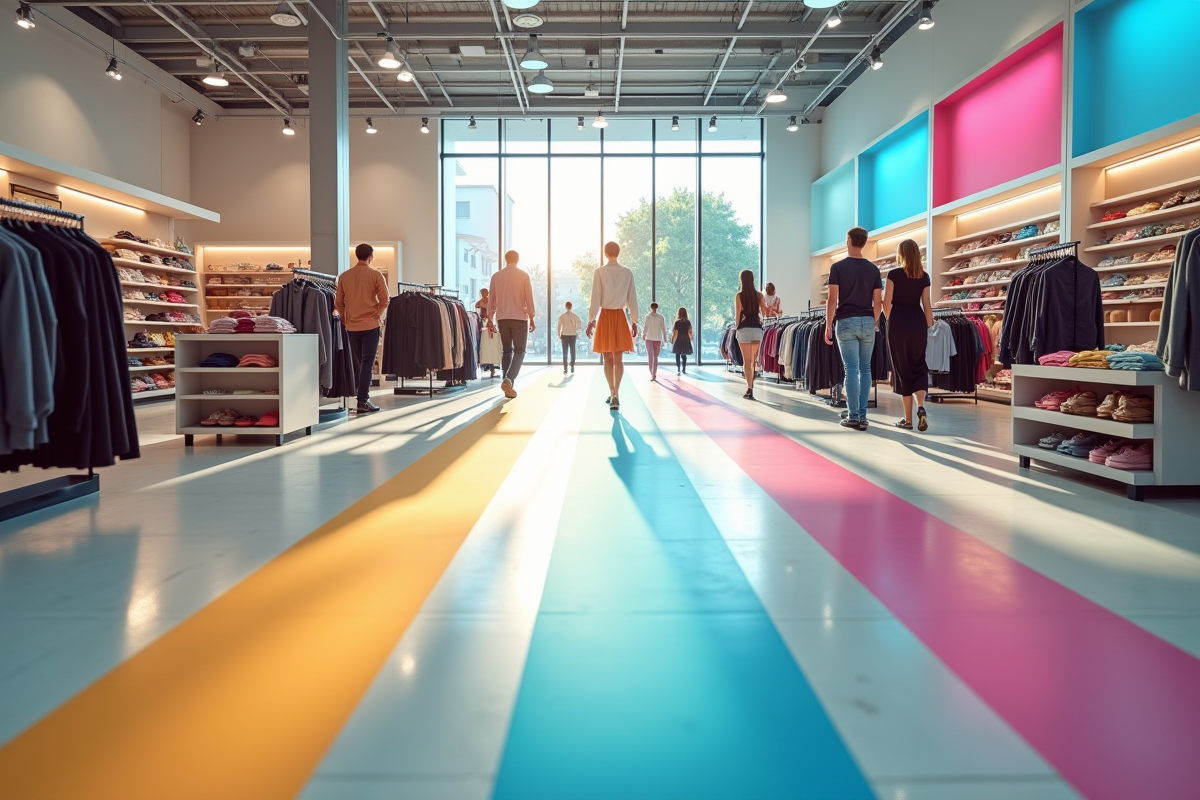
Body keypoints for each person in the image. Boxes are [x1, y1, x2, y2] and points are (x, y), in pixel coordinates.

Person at [825, 227, 883, 431]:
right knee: (865, 368)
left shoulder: (837, 267)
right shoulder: (874, 270)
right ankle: (863, 416)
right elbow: (878, 302)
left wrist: (828, 324)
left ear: (848, 240)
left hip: (846, 321)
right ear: (865, 243)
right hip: (867, 320)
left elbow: (832, 300)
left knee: (851, 369)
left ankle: (853, 416)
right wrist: (873, 320)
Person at [883, 239, 933, 430]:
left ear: (901, 254)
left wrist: (890, 320)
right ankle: (921, 407)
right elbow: (927, 305)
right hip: (917, 321)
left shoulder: (893, 274)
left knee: (903, 369)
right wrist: (928, 326)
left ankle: (908, 419)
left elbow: (887, 303)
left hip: (898, 322)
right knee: (919, 365)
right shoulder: (924, 276)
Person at [335, 243, 390, 414]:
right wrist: (376, 315)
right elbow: (385, 300)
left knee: (356, 363)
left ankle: (356, 397)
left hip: (351, 326)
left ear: (357, 256)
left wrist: (345, 318)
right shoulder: (375, 275)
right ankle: (362, 400)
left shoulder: (344, 276)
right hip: (370, 325)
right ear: (370, 256)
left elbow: (338, 303)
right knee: (367, 362)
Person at [586, 241, 639, 411]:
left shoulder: (599, 272)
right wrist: (634, 321)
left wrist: (591, 319)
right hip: (620, 316)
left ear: (605, 253)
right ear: (619, 252)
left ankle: (611, 392)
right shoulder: (627, 273)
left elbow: (595, 297)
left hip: (606, 315)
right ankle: (616, 393)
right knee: (618, 359)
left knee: (607, 359)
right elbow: (632, 298)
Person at [486, 250, 536, 399]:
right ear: (518, 259)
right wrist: (532, 317)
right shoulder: (523, 276)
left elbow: (491, 300)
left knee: (507, 351)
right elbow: (529, 298)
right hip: (520, 319)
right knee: (520, 351)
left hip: (502, 319)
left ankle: (506, 383)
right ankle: (509, 380)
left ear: (505, 259)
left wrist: (490, 318)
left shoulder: (496, 276)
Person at [734, 270, 768, 400]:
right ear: (752, 279)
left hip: (744, 329)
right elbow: (764, 313)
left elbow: (738, 315)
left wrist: (737, 327)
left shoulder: (739, 296)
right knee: (753, 361)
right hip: (756, 329)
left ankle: (749, 388)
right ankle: (751, 387)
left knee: (746, 361)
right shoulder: (759, 295)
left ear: (741, 280)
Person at [642, 302, 668, 381]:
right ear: (657, 307)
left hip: (649, 338)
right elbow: (663, 328)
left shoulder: (648, 317)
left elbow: (646, 327)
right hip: (657, 338)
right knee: (655, 356)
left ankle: (652, 372)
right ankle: (654, 373)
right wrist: (664, 337)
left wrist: (644, 334)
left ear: (650, 307)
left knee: (650, 356)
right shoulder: (660, 317)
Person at [557, 301, 582, 374]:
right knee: (572, 351)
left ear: (565, 306)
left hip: (564, 335)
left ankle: (565, 368)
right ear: (571, 306)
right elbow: (579, 323)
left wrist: (559, 334)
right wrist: (576, 330)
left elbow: (559, 326)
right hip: (572, 335)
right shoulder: (575, 316)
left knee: (565, 352)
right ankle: (572, 366)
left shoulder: (561, 316)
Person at [671, 307, 693, 374]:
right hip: (686, 339)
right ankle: (684, 369)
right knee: (684, 355)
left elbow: (675, 333)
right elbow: (690, 331)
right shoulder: (688, 322)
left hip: (679, 339)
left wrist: (673, 339)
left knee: (677, 354)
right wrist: (691, 338)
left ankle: (678, 369)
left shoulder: (677, 322)